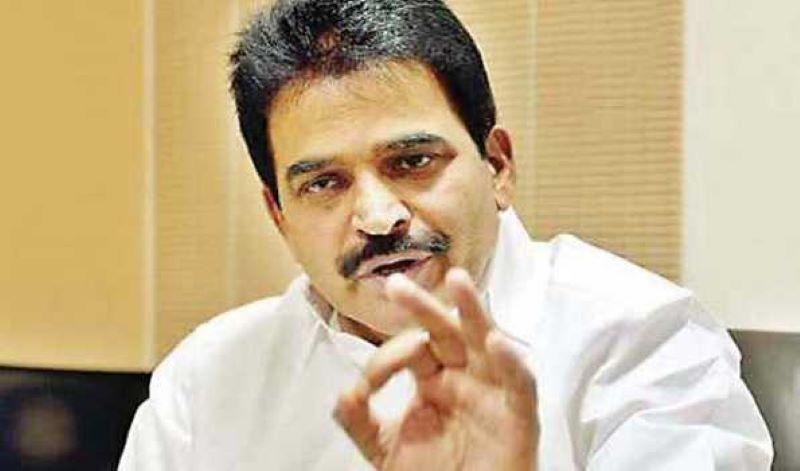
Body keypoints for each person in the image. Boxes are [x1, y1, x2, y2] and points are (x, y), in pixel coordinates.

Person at [119, 0, 773, 469]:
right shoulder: (205, 380)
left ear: (498, 166)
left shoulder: (645, 341)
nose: (378, 217)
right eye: (323, 183)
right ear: (279, 216)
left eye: (412, 162)